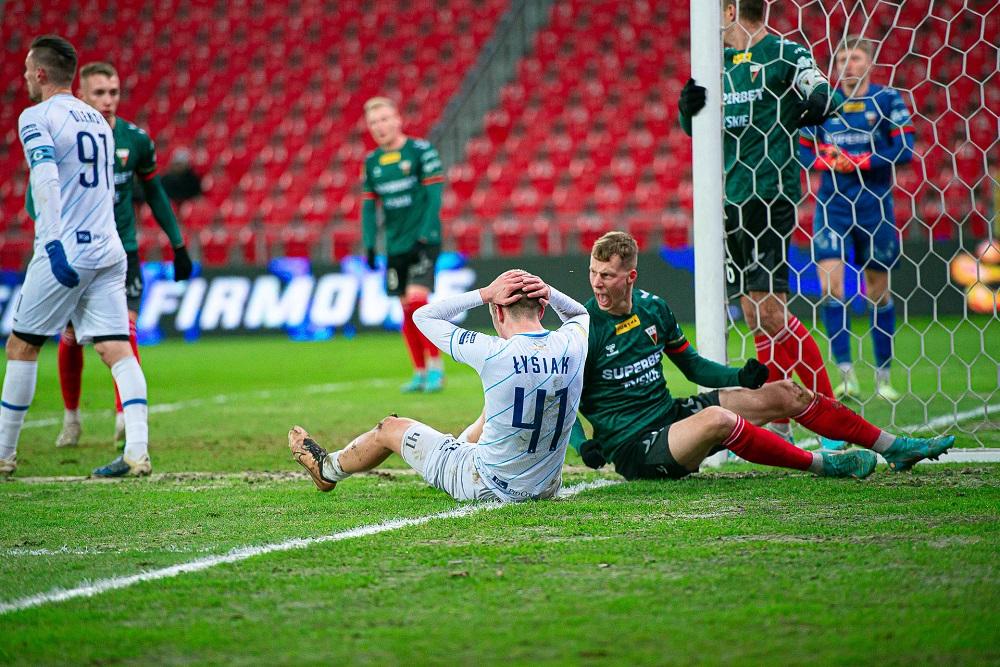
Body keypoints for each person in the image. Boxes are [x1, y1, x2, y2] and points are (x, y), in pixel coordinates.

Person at [571, 232, 953, 481]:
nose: (597, 283)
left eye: (606, 275)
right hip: (633, 447)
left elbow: (692, 366)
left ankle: (893, 447)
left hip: (671, 417)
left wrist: (741, 375)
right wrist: (581, 443)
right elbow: (558, 396)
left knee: (786, 392)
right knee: (719, 419)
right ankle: (824, 465)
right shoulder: (585, 327)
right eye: (593, 273)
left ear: (631, 276)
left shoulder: (653, 309)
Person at [678, 0, 841, 442]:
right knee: (753, 313)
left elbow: (826, 95)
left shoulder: (786, 54)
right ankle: (783, 413)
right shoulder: (716, 65)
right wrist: (685, 108)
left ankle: (830, 419)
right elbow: (696, 132)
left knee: (769, 310)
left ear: (729, 11)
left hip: (770, 193)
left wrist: (813, 105)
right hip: (728, 201)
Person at [288, 270, 589, 502]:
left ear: (498, 312)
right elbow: (579, 314)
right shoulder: (571, 343)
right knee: (497, 406)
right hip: (545, 488)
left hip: (484, 484)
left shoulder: (493, 352)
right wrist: (549, 289)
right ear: (543, 309)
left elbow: (423, 316)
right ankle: (453, 452)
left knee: (390, 428)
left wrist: (484, 293)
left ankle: (326, 470)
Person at [1, 36, 150, 478]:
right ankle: (137, 453)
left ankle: (4, 453)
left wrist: (50, 242)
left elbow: (45, 180)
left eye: (29, 69)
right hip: (109, 248)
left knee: (22, 345)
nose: (26, 76)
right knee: (115, 347)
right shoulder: (100, 123)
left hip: (67, 246)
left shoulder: (37, 117)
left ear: (41, 73)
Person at [51, 61, 192, 449]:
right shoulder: (63, 138)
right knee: (71, 336)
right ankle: (72, 417)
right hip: (76, 251)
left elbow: (155, 193)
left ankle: (123, 418)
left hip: (122, 252)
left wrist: (177, 244)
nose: (108, 100)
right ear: (81, 94)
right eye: (99, 93)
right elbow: (37, 198)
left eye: (114, 92)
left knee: (125, 333)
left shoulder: (135, 140)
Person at [800, 36, 915, 404]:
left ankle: (884, 377)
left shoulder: (887, 100)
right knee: (832, 287)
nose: (848, 65)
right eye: (842, 59)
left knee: (878, 290)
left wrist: (862, 161)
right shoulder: (824, 102)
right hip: (832, 205)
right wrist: (828, 161)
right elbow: (803, 153)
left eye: (856, 58)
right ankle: (846, 376)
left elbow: (906, 149)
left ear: (870, 63)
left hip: (875, 205)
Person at [360, 97, 447, 393]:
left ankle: (436, 368)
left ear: (398, 119)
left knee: (416, 301)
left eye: (385, 119)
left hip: (424, 241)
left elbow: (435, 196)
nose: (380, 126)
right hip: (395, 246)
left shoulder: (421, 151)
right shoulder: (372, 163)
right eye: (374, 122)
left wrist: (424, 235)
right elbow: (369, 208)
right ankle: (419, 372)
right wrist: (371, 245)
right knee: (406, 309)